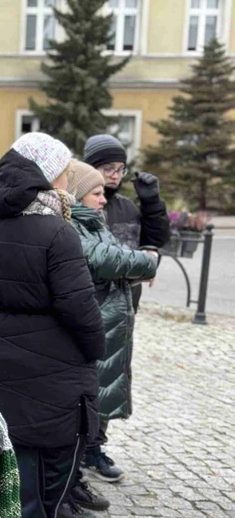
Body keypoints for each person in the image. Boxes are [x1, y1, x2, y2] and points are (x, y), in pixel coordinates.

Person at [0, 133, 105, 518]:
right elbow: (79, 306)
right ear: (47, 178)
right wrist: (95, 347)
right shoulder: (58, 232)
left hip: (3, 351)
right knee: (57, 447)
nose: (68, 180)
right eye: (64, 172)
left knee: (19, 445)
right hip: (57, 357)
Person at [57, 162, 158, 518]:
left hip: (110, 332)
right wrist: (146, 262)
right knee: (81, 413)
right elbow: (107, 260)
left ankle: (75, 481)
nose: (104, 199)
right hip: (92, 331)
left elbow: (117, 256)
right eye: (97, 192)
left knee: (92, 414)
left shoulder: (93, 221)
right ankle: (64, 488)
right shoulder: (73, 224)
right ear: (79, 193)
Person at [82, 134, 170, 483]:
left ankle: (95, 447)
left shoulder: (127, 208)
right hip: (92, 305)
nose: (114, 176)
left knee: (112, 376)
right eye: (107, 168)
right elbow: (107, 259)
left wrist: (152, 204)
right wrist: (143, 262)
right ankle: (81, 447)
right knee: (91, 376)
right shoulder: (85, 207)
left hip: (125, 305)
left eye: (119, 169)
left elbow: (154, 240)